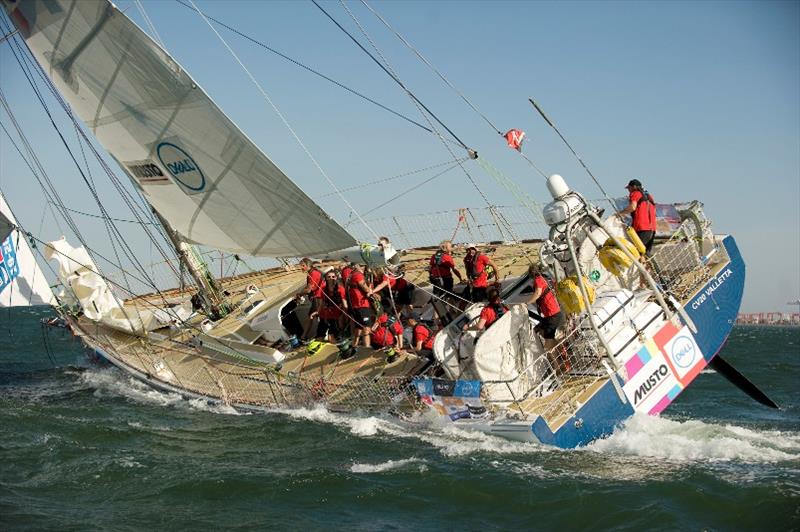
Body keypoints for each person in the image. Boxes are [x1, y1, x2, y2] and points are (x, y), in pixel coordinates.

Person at [526, 264, 565, 350]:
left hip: (552, 314)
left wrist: (527, 303)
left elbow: (538, 293)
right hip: (555, 312)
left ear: (532, 274)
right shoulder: (546, 278)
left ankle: (557, 362)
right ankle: (562, 352)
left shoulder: (538, 280)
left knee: (548, 346)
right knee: (542, 331)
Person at [618, 179, 657, 256]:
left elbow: (632, 207)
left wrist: (619, 213)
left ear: (634, 187)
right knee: (644, 254)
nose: (628, 190)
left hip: (641, 228)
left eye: (629, 188)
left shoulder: (635, 193)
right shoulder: (649, 196)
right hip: (652, 229)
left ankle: (642, 267)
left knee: (635, 253)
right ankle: (648, 267)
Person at [313, 270, 348, 343]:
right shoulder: (322, 289)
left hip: (335, 317)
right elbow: (321, 303)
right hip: (324, 316)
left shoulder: (340, 289)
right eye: (329, 277)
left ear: (336, 278)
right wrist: (317, 312)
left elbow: (345, 305)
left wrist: (345, 317)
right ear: (325, 278)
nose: (331, 278)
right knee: (320, 337)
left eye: (333, 277)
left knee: (332, 339)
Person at [296, 258, 324, 339]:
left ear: (308, 265)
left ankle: (307, 336)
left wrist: (299, 294)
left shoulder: (313, 274)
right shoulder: (312, 273)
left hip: (318, 298)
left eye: (303, 265)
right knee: (311, 317)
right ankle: (304, 336)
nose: (301, 267)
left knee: (313, 316)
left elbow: (308, 290)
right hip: (316, 298)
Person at [346, 262, 373, 347]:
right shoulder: (358, 275)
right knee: (366, 328)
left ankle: (354, 345)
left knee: (358, 327)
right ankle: (366, 347)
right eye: (362, 266)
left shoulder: (350, 275)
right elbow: (365, 288)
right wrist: (370, 290)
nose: (363, 268)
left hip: (354, 306)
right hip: (362, 305)